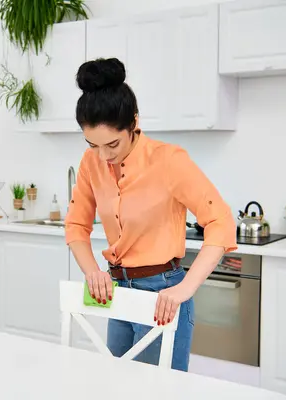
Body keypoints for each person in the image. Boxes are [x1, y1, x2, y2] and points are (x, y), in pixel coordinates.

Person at [64, 57, 237, 372]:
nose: (103, 156)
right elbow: (76, 225)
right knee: (116, 388)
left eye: (112, 144)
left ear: (134, 122)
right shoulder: (91, 162)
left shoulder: (169, 161)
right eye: (93, 144)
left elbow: (221, 223)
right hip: (116, 292)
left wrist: (185, 289)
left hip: (162, 293)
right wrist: (93, 272)